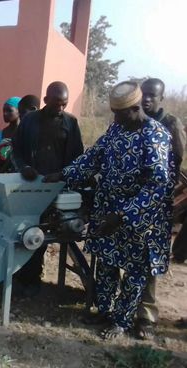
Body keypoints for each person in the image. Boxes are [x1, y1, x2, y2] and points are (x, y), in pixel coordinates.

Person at [44, 81, 175, 339]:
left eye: (120, 113)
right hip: (108, 211)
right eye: (114, 113)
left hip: (139, 220)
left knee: (135, 273)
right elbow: (93, 157)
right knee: (105, 263)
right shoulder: (117, 128)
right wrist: (63, 174)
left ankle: (122, 321)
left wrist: (123, 215)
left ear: (136, 108)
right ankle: (104, 311)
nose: (115, 118)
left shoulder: (155, 135)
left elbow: (157, 185)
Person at [12, 81, 84, 295]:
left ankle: (34, 279)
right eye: (57, 104)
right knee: (28, 230)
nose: (61, 108)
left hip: (58, 188)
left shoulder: (70, 123)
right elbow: (16, 150)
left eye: (64, 104)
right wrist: (24, 167)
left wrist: (64, 175)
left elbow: (77, 155)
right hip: (30, 187)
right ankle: (24, 277)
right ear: (45, 101)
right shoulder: (29, 121)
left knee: (48, 233)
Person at [134, 78, 186, 340]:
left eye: (152, 96)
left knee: (150, 261)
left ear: (161, 98)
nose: (146, 99)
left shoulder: (172, 124)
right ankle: (126, 309)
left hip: (157, 206)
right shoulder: (136, 121)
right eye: (144, 94)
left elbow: (176, 166)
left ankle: (147, 316)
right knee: (130, 257)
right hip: (133, 203)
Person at [0, 96, 21, 173]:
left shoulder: (24, 131)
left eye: (9, 110)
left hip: (19, 174)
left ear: (19, 111)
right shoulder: (1, 134)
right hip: (3, 173)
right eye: (4, 110)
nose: (5, 113)